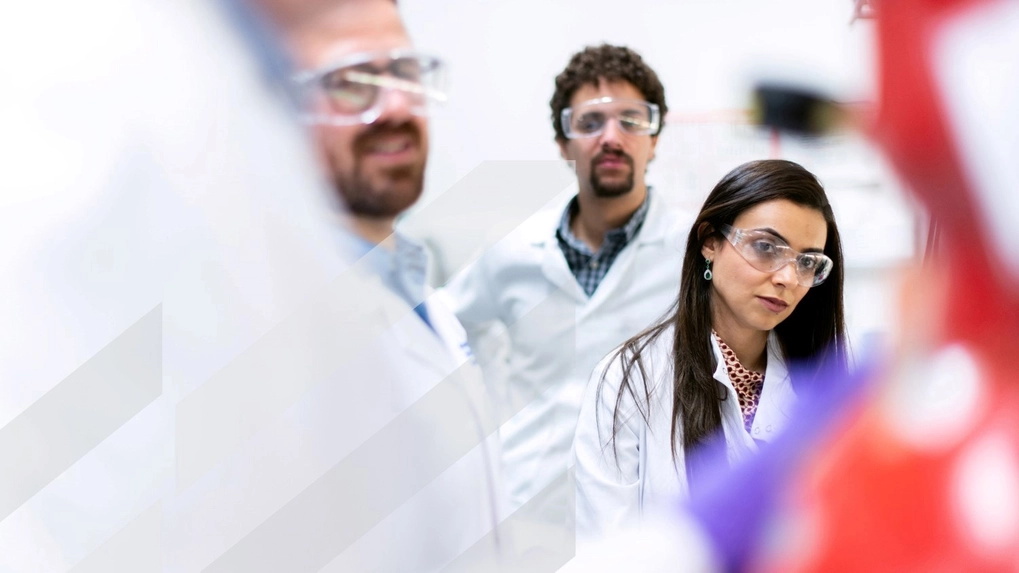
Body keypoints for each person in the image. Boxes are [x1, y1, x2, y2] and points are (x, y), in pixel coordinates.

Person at [441, 44, 690, 525]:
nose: (611, 138)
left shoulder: (692, 252)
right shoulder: (514, 252)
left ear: (654, 138)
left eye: (631, 120)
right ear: (563, 143)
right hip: (529, 506)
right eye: (590, 123)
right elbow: (444, 330)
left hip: (644, 514)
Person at [572, 159, 848, 542]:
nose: (787, 278)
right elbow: (606, 552)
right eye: (766, 247)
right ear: (710, 242)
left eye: (806, 262)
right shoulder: (628, 380)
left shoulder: (825, 387)